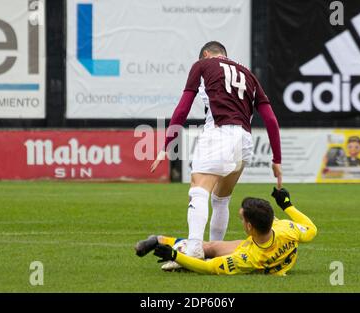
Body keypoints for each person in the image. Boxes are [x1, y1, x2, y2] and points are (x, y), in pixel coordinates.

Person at [149, 41, 282, 269]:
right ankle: (214, 251)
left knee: (198, 190)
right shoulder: (249, 74)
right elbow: (270, 119)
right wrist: (277, 159)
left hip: (219, 133)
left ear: (207, 54)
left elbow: (182, 108)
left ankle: (192, 253)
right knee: (221, 199)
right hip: (244, 139)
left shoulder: (202, 65)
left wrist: (166, 144)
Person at [135, 188, 317, 276]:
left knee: (209, 254)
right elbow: (311, 230)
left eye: (242, 219)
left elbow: (208, 268)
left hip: (258, 254)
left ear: (249, 227)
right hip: (265, 244)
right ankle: (158, 240)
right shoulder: (287, 228)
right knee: (212, 247)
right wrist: (287, 204)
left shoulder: (245, 258)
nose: (241, 221)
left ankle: (163, 241)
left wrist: (175, 256)